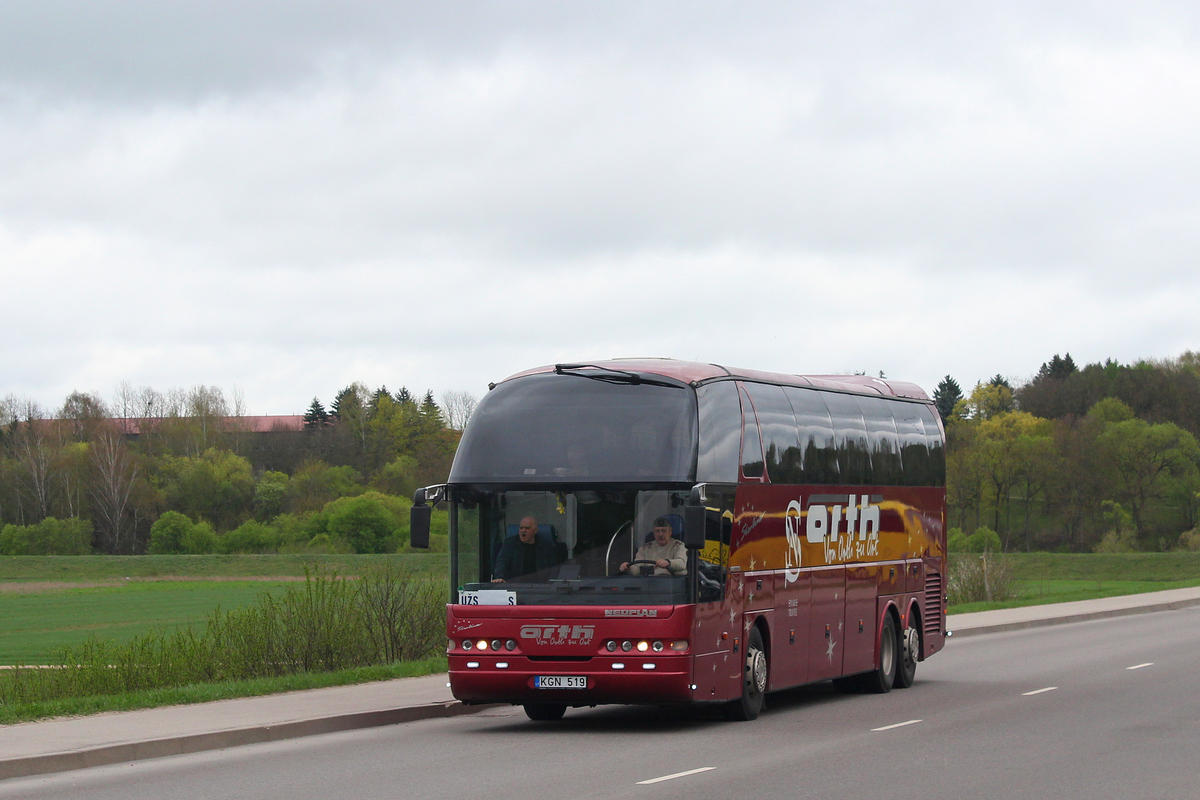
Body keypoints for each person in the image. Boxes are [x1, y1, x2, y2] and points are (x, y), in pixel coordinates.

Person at [492, 517, 558, 582]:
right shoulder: (510, 544)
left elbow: (554, 569)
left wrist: (550, 585)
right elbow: (501, 562)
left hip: (540, 587)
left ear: (535, 530)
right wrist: (500, 577)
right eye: (521, 528)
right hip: (515, 586)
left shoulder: (546, 546)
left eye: (527, 528)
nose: (523, 530)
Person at [620, 516, 687, 576]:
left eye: (664, 531)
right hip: (649, 584)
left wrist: (668, 562)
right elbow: (636, 569)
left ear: (670, 532)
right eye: (657, 531)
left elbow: (681, 564)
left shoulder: (679, 546)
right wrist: (628, 568)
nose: (660, 534)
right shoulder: (644, 548)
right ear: (653, 533)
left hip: (673, 585)